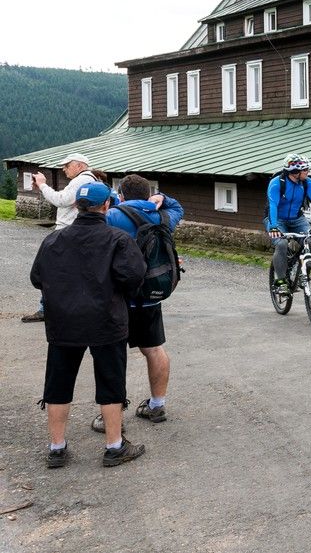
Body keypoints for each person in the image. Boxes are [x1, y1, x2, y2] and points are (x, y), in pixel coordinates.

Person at [30, 181, 146, 468]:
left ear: (75, 206)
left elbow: (36, 278)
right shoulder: (118, 239)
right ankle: (114, 446)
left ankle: (56, 448)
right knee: (110, 380)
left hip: (63, 323)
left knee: (58, 382)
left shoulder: (53, 240)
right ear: (107, 205)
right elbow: (133, 277)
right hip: (106, 321)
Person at [88, 174, 183, 434]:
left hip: (118, 298)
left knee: (113, 356)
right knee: (154, 349)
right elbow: (177, 207)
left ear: (121, 195)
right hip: (150, 297)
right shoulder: (163, 216)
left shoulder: (112, 217)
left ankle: (112, 415)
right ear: (147, 194)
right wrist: (162, 198)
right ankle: (157, 405)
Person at [23, 154, 102, 323]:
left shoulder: (81, 181)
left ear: (80, 166)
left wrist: (43, 184)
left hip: (67, 233)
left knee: (51, 270)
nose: (64, 169)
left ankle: (48, 309)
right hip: (75, 232)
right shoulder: (88, 179)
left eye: (67, 165)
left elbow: (61, 200)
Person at [266, 154, 311, 293]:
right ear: (295, 172)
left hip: (297, 218)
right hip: (277, 219)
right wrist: (274, 226)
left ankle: (303, 273)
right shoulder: (276, 183)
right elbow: (273, 205)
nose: (308, 172)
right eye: (305, 169)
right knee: (281, 244)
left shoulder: (308, 183)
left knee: (310, 241)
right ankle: (281, 281)